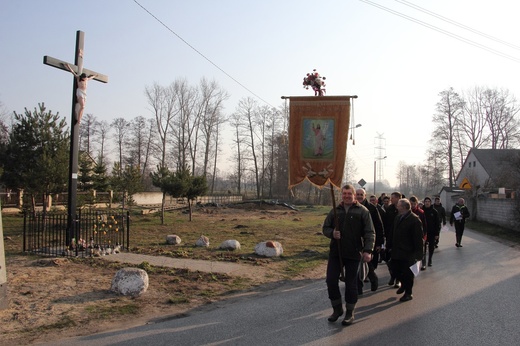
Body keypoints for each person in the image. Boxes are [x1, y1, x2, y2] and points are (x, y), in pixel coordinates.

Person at [323, 184, 375, 326]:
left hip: (353, 252)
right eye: (344, 193)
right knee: (331, 280)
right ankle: (337, 308)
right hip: (336, 252)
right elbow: (325, 227)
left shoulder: (362, 211)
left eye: (349, 194)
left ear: (354, 195)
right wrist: (332, 233)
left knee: (351, 284)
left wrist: (368, 250)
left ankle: (350, 312)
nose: (346, 196)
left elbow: (370, 232)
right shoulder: (335, 210)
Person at [391, 198, 424, 302]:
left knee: (408, 274)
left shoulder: (414, 220)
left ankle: (408, 293)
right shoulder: (398, 217)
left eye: (399, 206)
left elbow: (418, 238)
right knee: (394, 270)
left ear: (404, 207)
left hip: (408, 252)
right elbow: (393, 232)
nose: (397, 207)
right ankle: (403, 284)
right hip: (397, 250)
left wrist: (418, 255)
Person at [356, 189, 384, 293]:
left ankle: (373, 278)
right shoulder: (352, 206)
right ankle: (358, 287)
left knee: (368, 262)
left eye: (361, 195)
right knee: (356, 264)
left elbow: (378, 225)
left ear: (365, 195)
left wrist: (379, 242)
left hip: (369, 239)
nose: (359, 196)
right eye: (357, 194)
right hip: (356, 239)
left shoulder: (372, 208)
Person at [383, 192, 401, 288]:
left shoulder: (402, 208)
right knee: (388, 259)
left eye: (392, 198)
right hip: (390, 237)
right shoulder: (389, 209)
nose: (391, 199)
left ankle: (398, 279)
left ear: (398, 198)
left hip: (400, 239)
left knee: (398, 260)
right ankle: (392, 276)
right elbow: (385, 223)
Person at [409, 196, 428, 270]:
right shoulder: (407, 212)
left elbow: (424, 224)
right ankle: (412, 268)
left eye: (414, 204)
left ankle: (423, 263)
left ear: (417, 203)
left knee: (421, 250)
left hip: (420, 235)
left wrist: (424, 235)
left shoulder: (421, 212)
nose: (413, 205)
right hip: (410, 236)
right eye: (411, 204)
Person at [422, 197, 440, 266]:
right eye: (426, 201)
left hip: (432, 232)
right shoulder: (422, 211)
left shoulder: (434, 212)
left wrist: (437, 233)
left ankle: (430, 260)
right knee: (423, 247)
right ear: (424, 202)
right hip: (423, 232)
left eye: (428, 201)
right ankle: (424, 262)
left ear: (430, 202)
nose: (427, 203)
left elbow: (437, 223)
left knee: (431, 247)